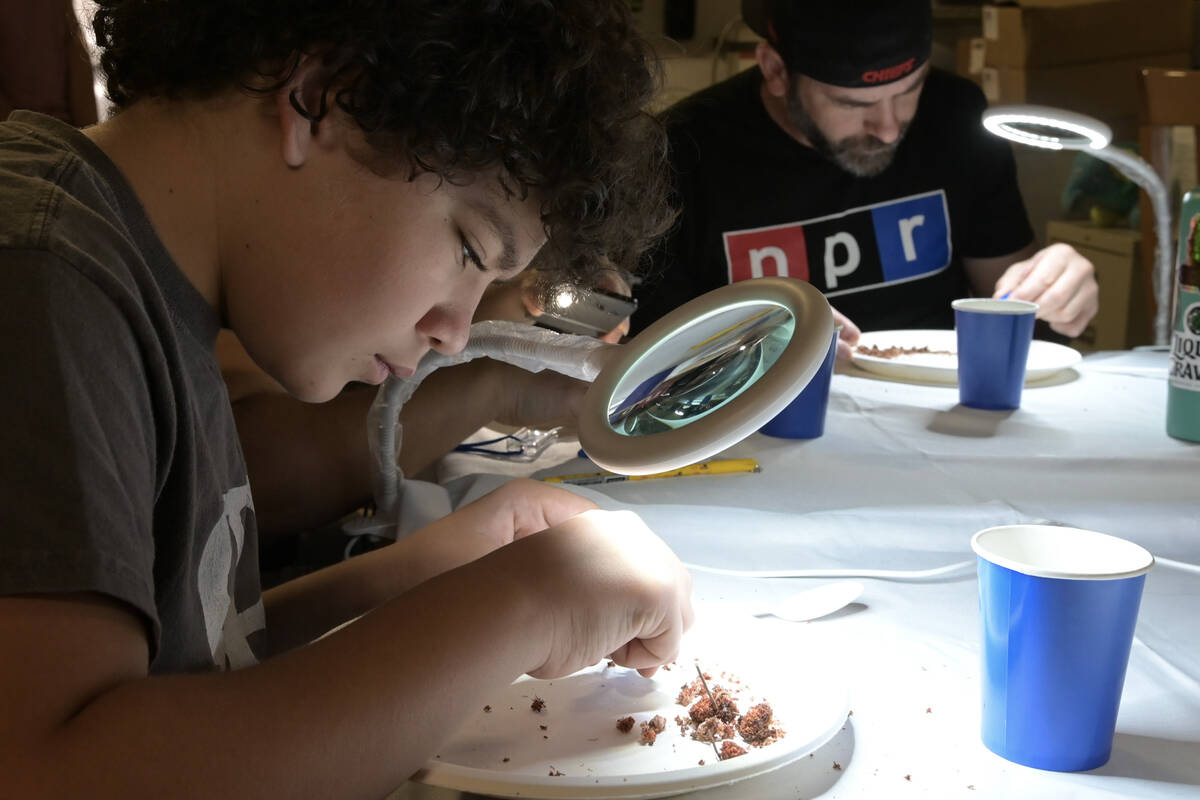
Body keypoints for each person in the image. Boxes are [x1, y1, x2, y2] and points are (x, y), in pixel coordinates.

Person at [0, 2, 693, 796]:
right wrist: (526, 602)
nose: (456, 332)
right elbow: (46, 767)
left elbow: (194, 656)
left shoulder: (145, 280)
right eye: (470, 248)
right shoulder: (38, 278)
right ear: (324, 97)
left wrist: (419, 575)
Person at [632, 0, 1099, 360]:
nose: (890, 128)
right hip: (762, 429)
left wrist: (1059, 292)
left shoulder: (955, 117)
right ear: (776, 70)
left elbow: (1014, 302)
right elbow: (653, 364)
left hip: (932, 412)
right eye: (854, 105)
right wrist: (753, 343)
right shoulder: (680, 154)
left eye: (910, 90)